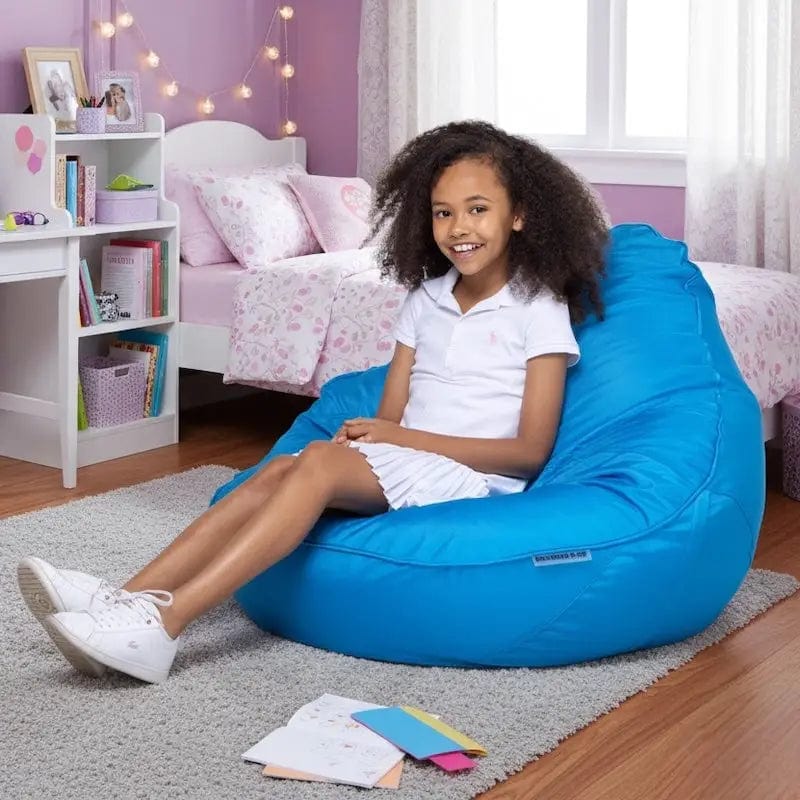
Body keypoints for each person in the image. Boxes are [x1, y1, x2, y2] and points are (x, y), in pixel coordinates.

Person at [17, 120, 609, 684]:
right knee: (281, 467)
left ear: (519, 214)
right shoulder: (425, 301)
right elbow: (391, 415)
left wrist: (394, 440)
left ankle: (165, 625)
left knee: (317, 464)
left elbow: (528, 453)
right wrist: (373, 436)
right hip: (410, 463)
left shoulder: (538, 308)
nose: (459, 228)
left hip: (475, 479)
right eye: (443, 212)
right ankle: (123, 599)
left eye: (478, 209)